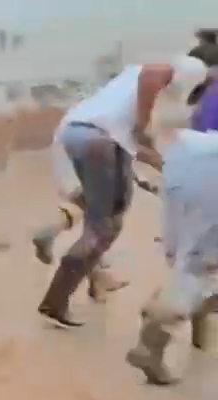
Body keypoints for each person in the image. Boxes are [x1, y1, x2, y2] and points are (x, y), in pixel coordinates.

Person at [36, 54, 213, 328]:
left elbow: (133, 142)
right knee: (104, 227)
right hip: (100, 141)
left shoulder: (131, 76)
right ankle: (56, 300)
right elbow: (139, 134)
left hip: (74, 132)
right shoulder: (156, 76)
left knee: (100, 216)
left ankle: (90, 281)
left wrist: (161, 166)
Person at [125, 127, 218, 384]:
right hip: (207, 177)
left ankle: (161, 307)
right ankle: (151, 343)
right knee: (201, 270)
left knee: (190, 263)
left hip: (183, 161)